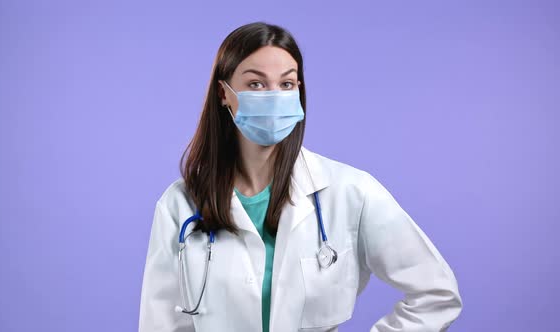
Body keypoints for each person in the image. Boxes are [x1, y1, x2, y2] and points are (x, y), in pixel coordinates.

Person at [138, 21, 462, 332]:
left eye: (286, 83)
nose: (274, 95)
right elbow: (161, 324)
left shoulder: (351, 191)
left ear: (298, 91)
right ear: (223, 93)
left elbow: (437, 293)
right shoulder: (180, 205)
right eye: (256, 84)